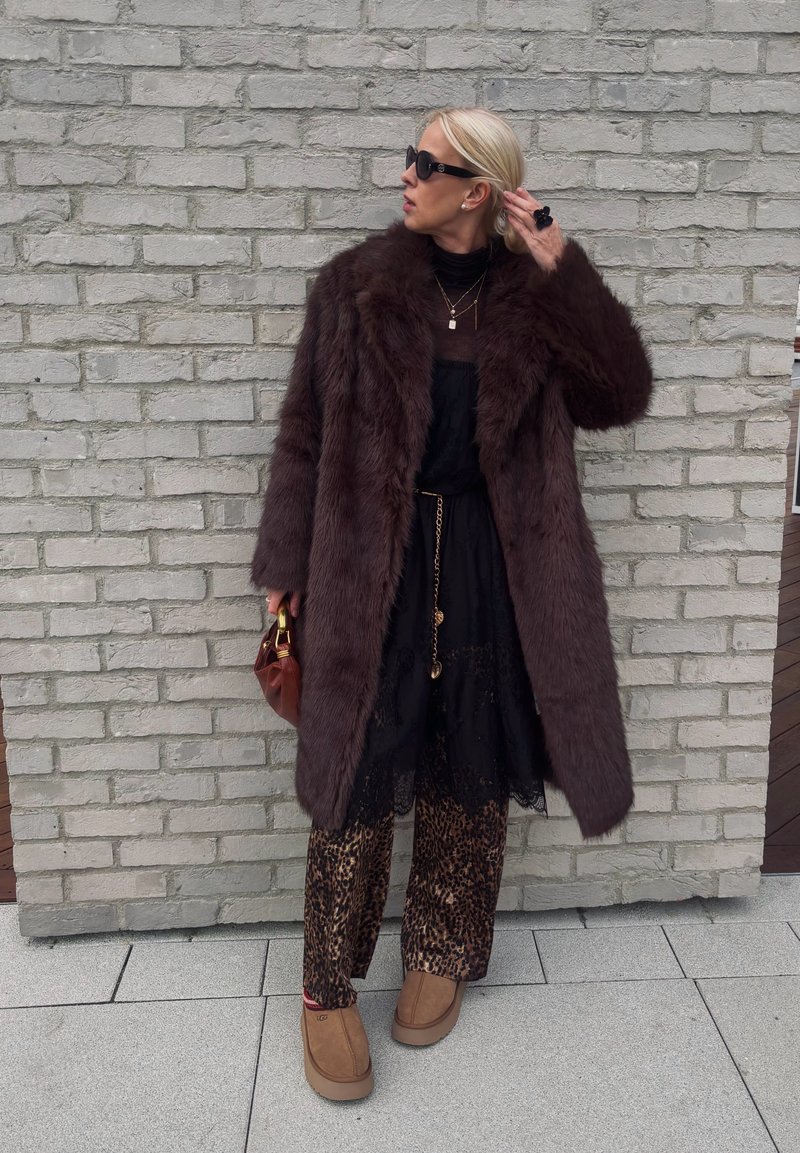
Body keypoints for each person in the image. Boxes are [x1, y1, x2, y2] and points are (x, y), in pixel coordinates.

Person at [250, 106, 654, 1102]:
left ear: (476, 190)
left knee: (467, 755)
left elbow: (619, 392)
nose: (404, 173)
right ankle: (324, 986)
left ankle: (441, 942)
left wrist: (563, 263)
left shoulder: (533, 297)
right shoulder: (353, 286)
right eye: (407, 155)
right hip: (366, 557)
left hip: (491, 556)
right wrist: (282, 567)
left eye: (425, 162)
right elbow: (303, 432)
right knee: (355, 770)